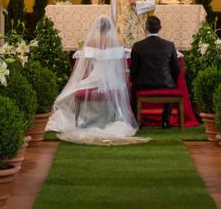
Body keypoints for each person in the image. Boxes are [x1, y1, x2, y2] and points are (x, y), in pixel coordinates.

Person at [46, 15, 149, 145]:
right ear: (110, 28)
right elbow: (120, 66)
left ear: (97, 28)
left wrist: (85, 79)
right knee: (122, 87)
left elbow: (86, 66)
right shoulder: (118, 42)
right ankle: (113, 118)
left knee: (71, 92)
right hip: (113, 80)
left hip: (95, 78)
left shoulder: (91, 43)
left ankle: (83, 120)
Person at [130, 16, 180, 129]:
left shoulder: (137, 46)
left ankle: (136, 122)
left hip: (143, 84)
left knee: (132, 89)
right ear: (160, 28)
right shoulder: (169, 45)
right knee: (172, 86)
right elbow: (176, 68)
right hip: (165, 83)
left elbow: (134, 69)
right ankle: (166, 120)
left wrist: (133, 81)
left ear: (146, 28)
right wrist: (172, 81)